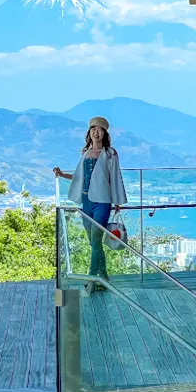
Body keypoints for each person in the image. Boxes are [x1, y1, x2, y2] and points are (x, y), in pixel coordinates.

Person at [53, 116, 127, 285]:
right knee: (94, 243)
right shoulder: (85, 153)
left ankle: (92, 278)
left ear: (105, 133)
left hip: (102, 202)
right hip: (86, 202)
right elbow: (81, 177)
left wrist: (117, 201)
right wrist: (62, 175)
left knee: (96, 239)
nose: (96, 132)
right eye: (93, 129)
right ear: (89, 132)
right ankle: (104, 277)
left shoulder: (110, 154)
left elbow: (115, 177)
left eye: (100, 129)